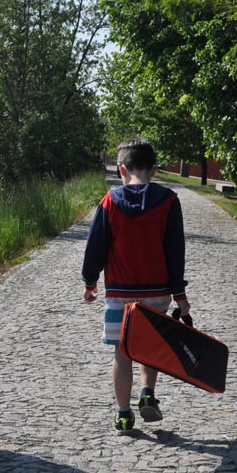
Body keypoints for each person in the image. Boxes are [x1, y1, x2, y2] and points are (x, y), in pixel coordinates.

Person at [81, 139, 190, 434]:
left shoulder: (109, 202)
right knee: (149, 348)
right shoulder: (169, 202)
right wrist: (179, 294)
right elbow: (175, 251)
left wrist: (90, 282)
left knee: (122, 353)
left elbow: (95, 248)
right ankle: (147, 394)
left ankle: (124, 414)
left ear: (120, 168)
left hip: (120, 294)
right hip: (157, 292)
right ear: (154, 170)